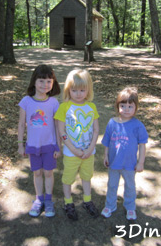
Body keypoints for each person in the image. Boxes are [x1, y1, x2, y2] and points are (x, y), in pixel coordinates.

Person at [54, 69, 100, 220]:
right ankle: (68, 202)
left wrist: (92, 147)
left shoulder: (91, 107)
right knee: (68, 178)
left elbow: (96, 128)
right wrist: (73, 149)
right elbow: (62, 131)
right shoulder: (65, 107)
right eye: (74, 90)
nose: (78, 94)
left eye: (82, 90)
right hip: (71, 153)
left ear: (88, 90)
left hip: (88, 153)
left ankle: (87, 200)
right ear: (68, 90)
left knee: (87, 177)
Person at [18, 65, 61, 218]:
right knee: (37, 173)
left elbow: (57, 126)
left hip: (49, 146)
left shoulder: (54, 103)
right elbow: (22, 123)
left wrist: (58, 146)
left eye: (49, 81)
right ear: (34, 81)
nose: (45, 85)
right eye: (41, 81)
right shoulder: (26, 101)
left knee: (48, 173)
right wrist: (20, 144)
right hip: (33, 146)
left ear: (53, 83)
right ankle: (39, 199)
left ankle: (48, 200)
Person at [101, 87, 148, 220]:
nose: (126, 109)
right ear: (118, 106)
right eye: (123, 106)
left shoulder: (138, 125)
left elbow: (142, 145)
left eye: (130, 106)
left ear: (135, 108)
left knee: (130, 187)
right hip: (114, 163)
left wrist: (141, 162)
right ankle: (110, 205)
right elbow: (107, 141)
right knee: (112, 185)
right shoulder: (112, 123)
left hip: (129, 164)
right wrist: (106, 156)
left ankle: (130, 207)